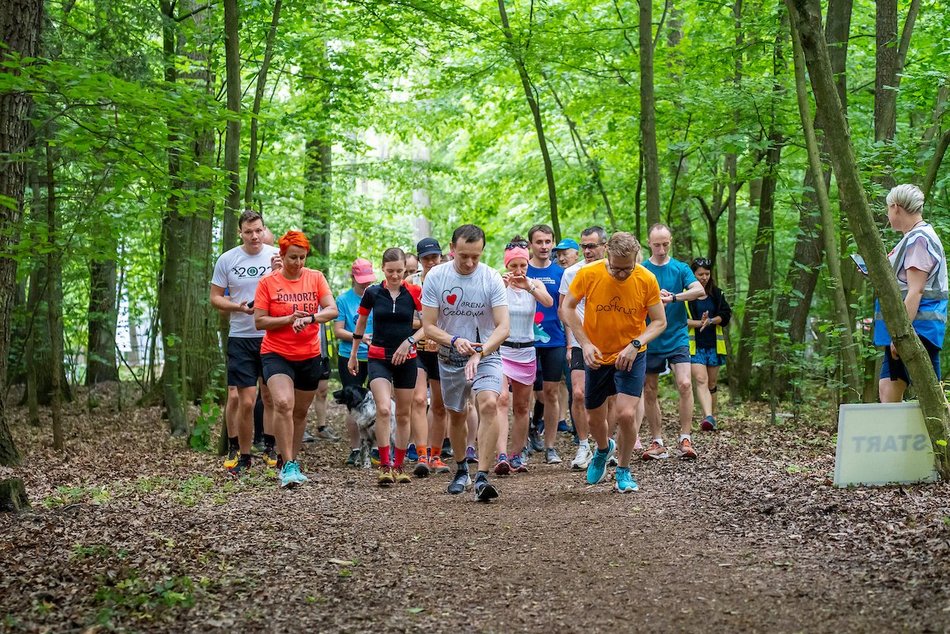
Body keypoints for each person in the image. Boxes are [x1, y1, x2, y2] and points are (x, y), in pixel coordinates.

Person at [562, 232, 666, 492]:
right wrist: (584, 343)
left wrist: (635, 345)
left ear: (636, 257)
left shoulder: (646, 279)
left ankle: (623, 470)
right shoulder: (589, 273)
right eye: (617, 269)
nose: (622, 274)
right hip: (597, 355)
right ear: (607, 253)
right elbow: (567, 308)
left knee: (626, 413)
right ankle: (603, 449)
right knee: (594, 418)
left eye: (627, 269)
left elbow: (659, 322)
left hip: (631, 354)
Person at [421, 224, 510, 501]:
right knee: (457, 413)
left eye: (476, 256)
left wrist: (480, 352)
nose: (470, 262)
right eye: (464, 256)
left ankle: (482, 477)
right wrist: (454, 339)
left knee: (488, 403)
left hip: (486, 352)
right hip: (449, 356)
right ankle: (462, 469)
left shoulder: (491, 278)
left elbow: (503, 326)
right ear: (451, 250)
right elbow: (428, 325)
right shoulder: (436, 277)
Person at [254, 231, 338, 488]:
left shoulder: (315, 278)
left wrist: (310, 318)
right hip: (276, 353)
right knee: (282, 403)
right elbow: (259, 321)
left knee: (300, 412)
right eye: (293, 257)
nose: (298, 263)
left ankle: (289, 460)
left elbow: (331, 310)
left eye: (302, 257)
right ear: (281, 255)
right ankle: (288, 465)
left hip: (309, 355)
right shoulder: (268, 283)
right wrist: (288, 319)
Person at [210, 210, 280, 475]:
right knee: (245, 400)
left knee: (270, 396)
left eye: (258, 230)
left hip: (271, 335)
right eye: (248, 231)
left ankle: (270, 448)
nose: (254, 236)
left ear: (264, 230)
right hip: (240, 336)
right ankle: (240, 450)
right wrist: (236, 307)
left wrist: (278, 273)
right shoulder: (227, 259)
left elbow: (289, 288)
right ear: (240, 232)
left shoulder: (276, 257)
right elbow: (215, 298)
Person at [350, 248, 425, 486]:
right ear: (382, 268)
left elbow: (429, 325)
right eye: (390, 271)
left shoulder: (414, 292)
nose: (395, 276)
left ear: (405, 269)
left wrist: (410, 341)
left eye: (400, 271)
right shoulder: (372, 293)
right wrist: (353, 354)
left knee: (403, 413)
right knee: (383, 409)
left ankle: (399, 465)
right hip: (378, 357)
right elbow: (361, 323)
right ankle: (384, 465)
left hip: (407, 358)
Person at [875, 184, 948, 402]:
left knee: (933, 398)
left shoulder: (919, 240)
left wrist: (901, 335)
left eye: (888, 209)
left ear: (896, 207)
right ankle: (893, 435)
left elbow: (915, 290)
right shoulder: (914, 237)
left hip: (918, 330)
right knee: (888, 387)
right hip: (912, 327)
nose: (887, 214)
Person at [640, 224, 706, 461]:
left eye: (665, 243)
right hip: (651, 336)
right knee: (650, 389)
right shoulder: (641, 270)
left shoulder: (680, 268)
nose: (661, 248)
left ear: (670, 241)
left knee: (685, 384)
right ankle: (657, 441)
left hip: (677, 334)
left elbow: (699, 290)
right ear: (649, 243)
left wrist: (674, 298)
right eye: (657, 244)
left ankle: (685, 438)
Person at [495, 237, 553, 474]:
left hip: (527, 350)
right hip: (502, 350)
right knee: (501, 401)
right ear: (506, 266)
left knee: (521, 406)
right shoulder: (499, 285)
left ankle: (516, 455)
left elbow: (549, 303)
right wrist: (505, 284)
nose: (518, 271)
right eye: (513, 266)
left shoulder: (535, 284)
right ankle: (500, 455)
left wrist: (527, 285)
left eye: (523, 266)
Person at [558, 226, 607, 470]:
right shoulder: (571, 273)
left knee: (607, 396)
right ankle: (583, 444)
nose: (587, 250)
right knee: (578, 393)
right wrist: (570, 341)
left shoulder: (614, 270)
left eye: (592, 246)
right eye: (584, 246)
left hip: (609, 343)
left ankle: (605, 444)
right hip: (579, 341)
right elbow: (563, 309)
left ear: (604, 246)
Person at [527, 224, 567, 464]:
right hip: (524, 342)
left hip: (555, 340)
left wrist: (571, 343)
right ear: (531, 244)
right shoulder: (521, 269)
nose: (544, 246)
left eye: (547, 242)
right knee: (527, 395)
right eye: (539, 242)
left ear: (553, 243)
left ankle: (550, 446)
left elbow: (566, 309)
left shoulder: (561, 273)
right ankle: (522, 443)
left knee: (551, 393)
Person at [411, 237, 451, 474]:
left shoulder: (449, 280)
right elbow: (406, 317)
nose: (431, 261)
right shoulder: (410, 284)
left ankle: (436, 455)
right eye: (426, 258)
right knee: (418, 400)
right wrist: (425, 323)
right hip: (417, 349)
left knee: (440, 404)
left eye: (434, 257)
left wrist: (429, 324)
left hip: (442, 348)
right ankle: (421, 454)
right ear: (419, 259)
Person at [334, 258, 376, 466]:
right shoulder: (344, 300)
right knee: (353, 404)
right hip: (349, 355)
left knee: (378, 401)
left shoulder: (378, 295)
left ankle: (376, 447)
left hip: (376, 355)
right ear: (353, 278)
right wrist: (359, 337)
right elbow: (338, 330)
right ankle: (355, 448)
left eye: (368, 281)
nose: (366, 285)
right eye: (362, 282)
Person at [686, 257, 731, 430]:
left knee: (712, 383)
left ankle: (711, 417)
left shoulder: (717, 294)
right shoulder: (686, 295)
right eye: (700, 274)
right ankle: (708, 416)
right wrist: (699, 323)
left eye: (707, 274)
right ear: (693, 274)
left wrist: (711, 321)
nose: (704, 277)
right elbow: (680, 319)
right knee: (701, 379)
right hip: (694, 345)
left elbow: (725, 315)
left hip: (714, 345)